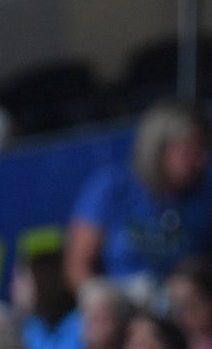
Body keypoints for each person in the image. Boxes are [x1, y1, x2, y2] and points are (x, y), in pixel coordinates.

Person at [64, 99, 212, 298]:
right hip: (121, 306)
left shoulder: (204, 195)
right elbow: (77, 267)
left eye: (201, 148)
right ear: (157, 147)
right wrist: (103, 300)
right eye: (187, 150)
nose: (198, 159)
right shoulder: (111, 186)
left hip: (182, 311)